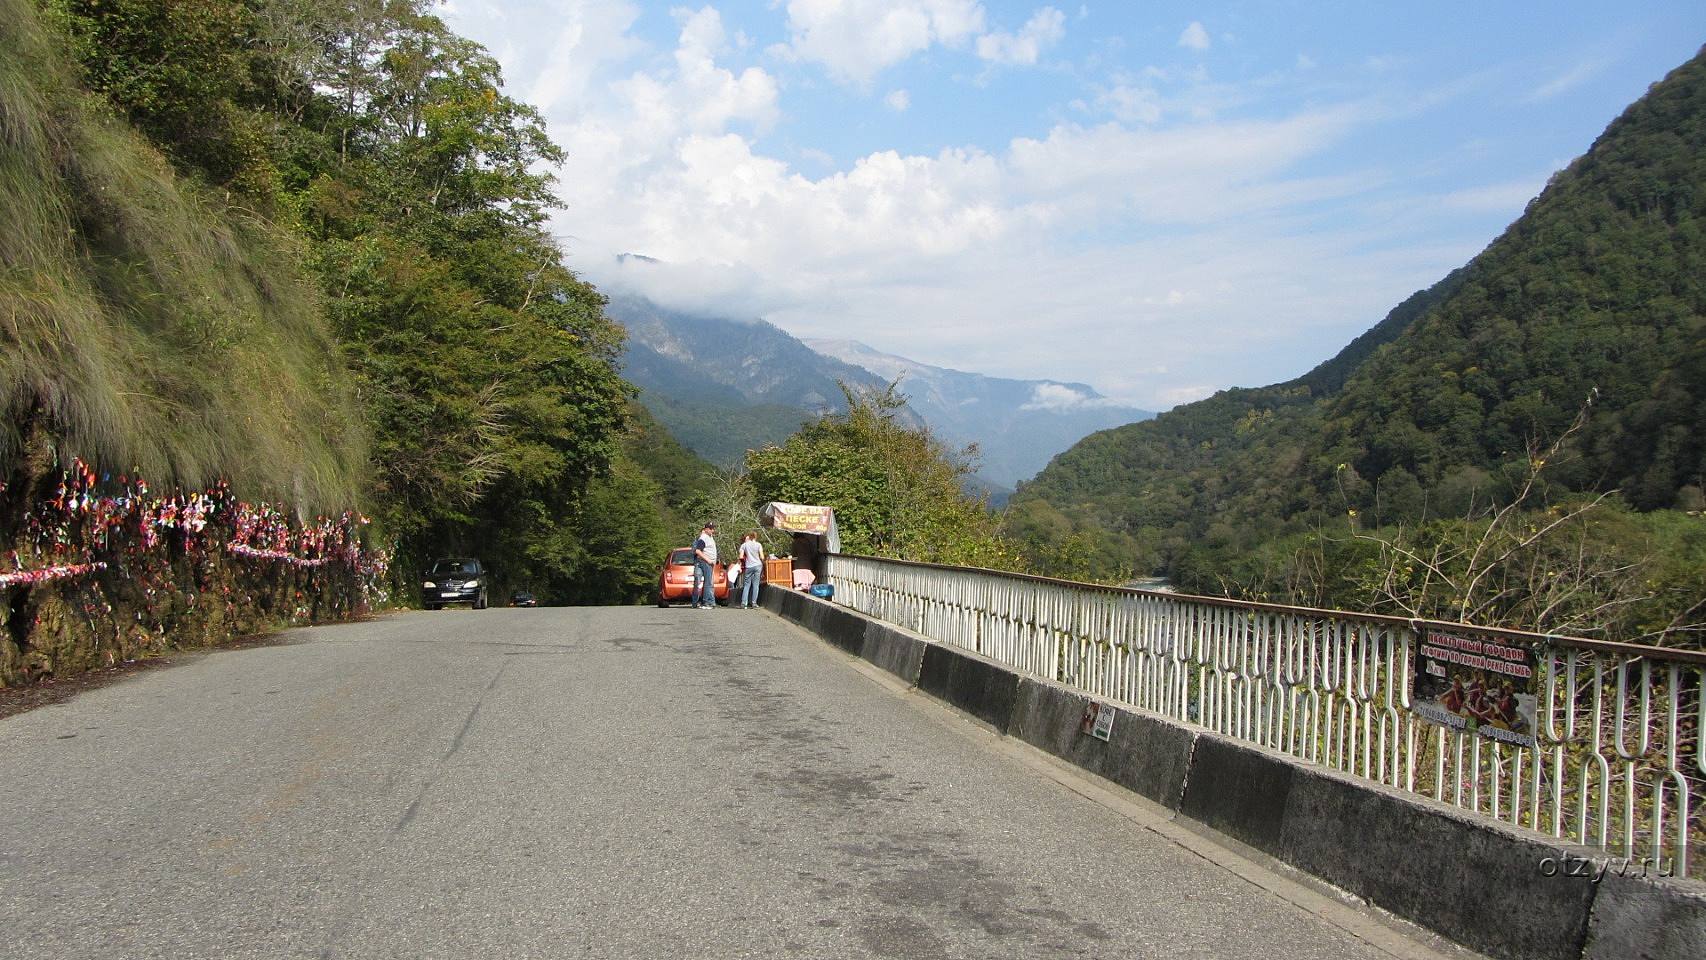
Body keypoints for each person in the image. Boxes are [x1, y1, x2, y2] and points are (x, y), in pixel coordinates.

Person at [691, 522, 719, 609]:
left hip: (707, 562)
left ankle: (709, 601)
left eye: (713, 528)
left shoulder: (709, 537)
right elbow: (698, 551)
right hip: (706, 562)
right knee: (708, 583)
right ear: (706, 529)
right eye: (711, 529)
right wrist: (708, 560)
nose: (712, 530)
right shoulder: (704, 538)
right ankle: (706, 602)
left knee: (707, 583)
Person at [737, 530, 764, 608]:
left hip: (749, 566)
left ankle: (743, 603)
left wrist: (742, 564)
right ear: (755, 537)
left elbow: (741, 557)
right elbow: (762, 557)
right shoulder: (759, 545)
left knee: (746, 585)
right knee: (756, 585)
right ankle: (754, 603)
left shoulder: (744, 545)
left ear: (749, 536)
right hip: (758, 565)